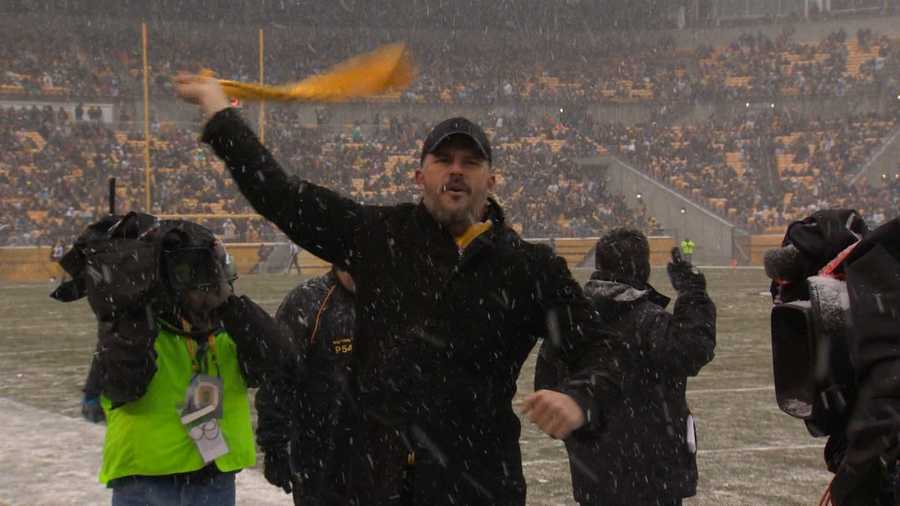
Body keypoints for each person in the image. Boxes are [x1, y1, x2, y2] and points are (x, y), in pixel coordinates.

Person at [175, 74, 619, 506]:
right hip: (369, 482)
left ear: (492, 181)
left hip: (476, 485)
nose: (457, 171)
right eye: (444, 160)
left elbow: (604, 348)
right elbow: (281, 196)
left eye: (471, 162)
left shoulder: (529, 267)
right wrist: (219, 113)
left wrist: (580, 397)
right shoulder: (381, 236)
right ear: (419, 176)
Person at [52, 213, 295, 506]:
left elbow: (279, 361)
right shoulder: (136, 326)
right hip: (147, 476)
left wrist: (230, 305)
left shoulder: (227, 326)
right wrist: (134, 312)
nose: (206, 288)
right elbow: (126, 386)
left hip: (212, 475)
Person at [537, 229, 716, 506]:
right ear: (642, 267)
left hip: (595, 473)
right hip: (655, 475)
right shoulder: (650, 321)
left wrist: (586, 438)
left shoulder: (571, 320)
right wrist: (692, 292)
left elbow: (548, 394)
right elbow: (693, 350)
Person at [257, 265, 356, 505]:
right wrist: (274, 446)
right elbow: (278, 376)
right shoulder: (308, 302)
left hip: (378, 453)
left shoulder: (388, 298)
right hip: (318, 453)